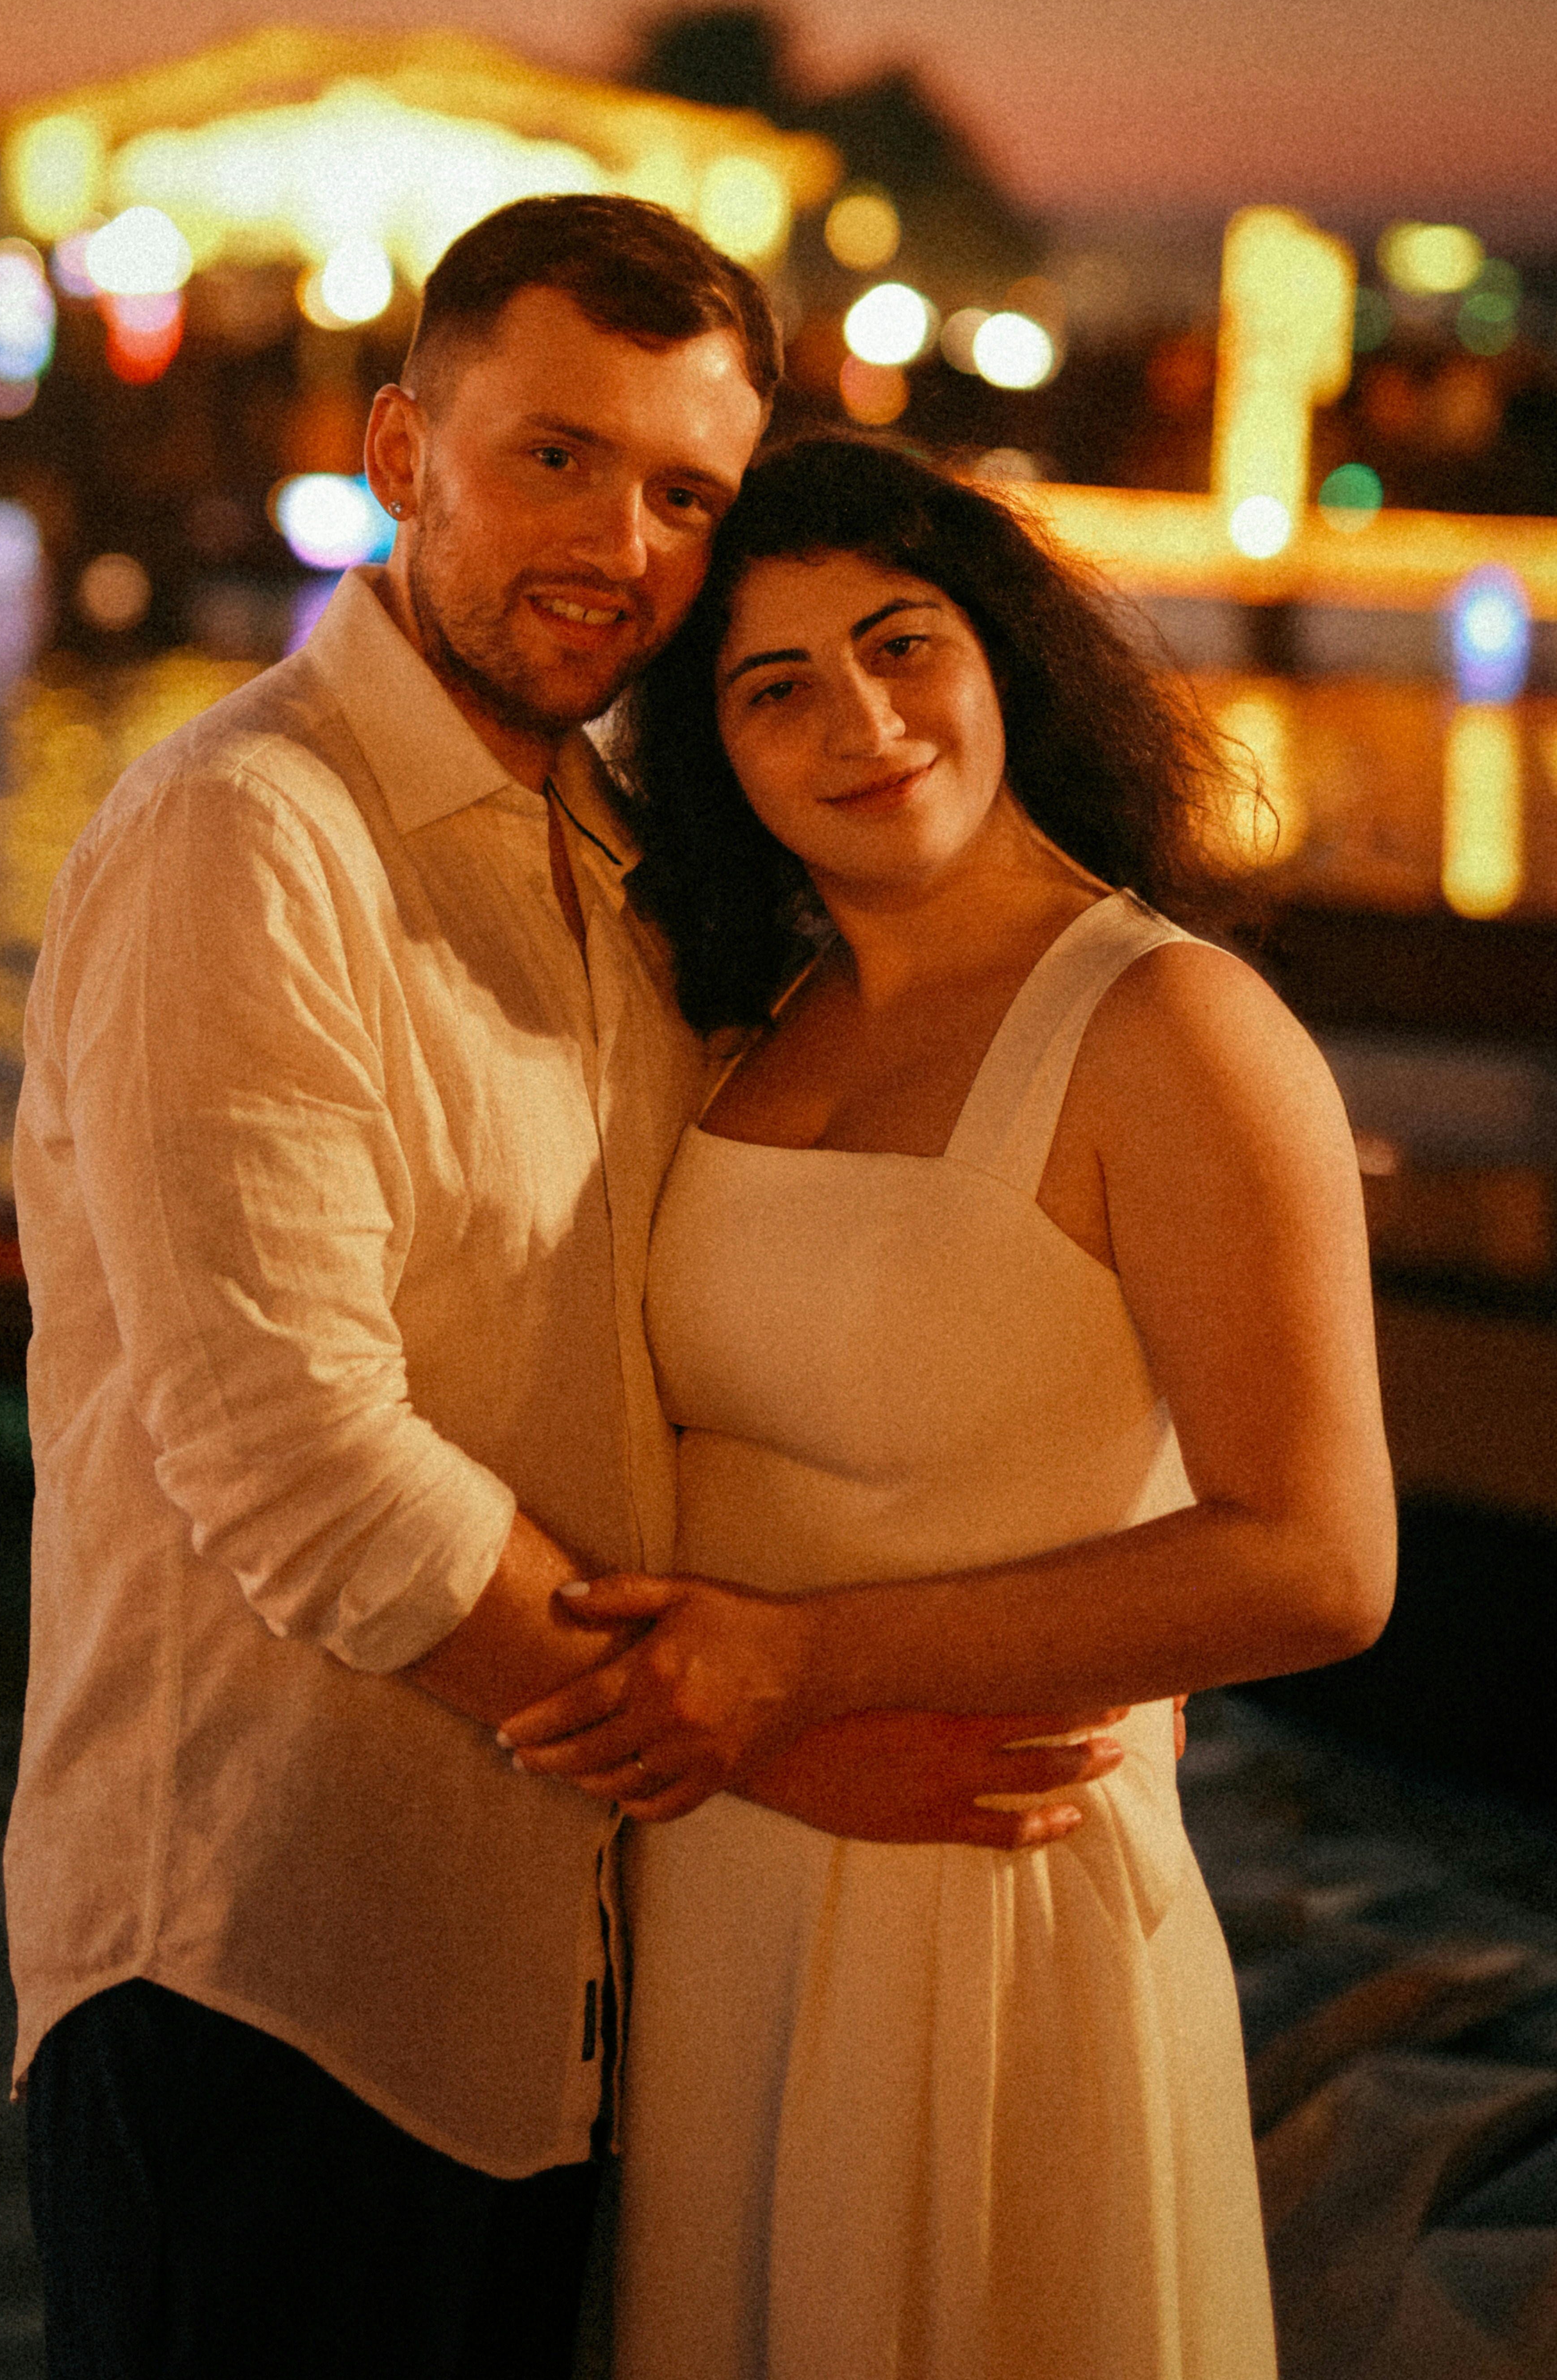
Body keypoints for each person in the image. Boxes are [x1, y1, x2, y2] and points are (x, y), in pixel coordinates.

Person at [6, 204, 1113, 2379]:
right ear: (406, 452)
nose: (622, 541)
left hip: (552, 1994)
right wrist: (767, 1736)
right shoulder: (250, 835)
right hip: (270, 1975)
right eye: (558, 459)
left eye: (687, 492)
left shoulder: (610, 871)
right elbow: (297, 1459)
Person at [497, 435, 1399, 2379]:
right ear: (715, 753)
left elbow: (1321, 1563)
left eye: (903, 647)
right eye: (776, 687)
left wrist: (810, 1664)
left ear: (1003, 660)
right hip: (722, 1883)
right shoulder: (750, 1019)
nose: (865, 722)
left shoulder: (1169, 1027)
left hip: (985, 1921)